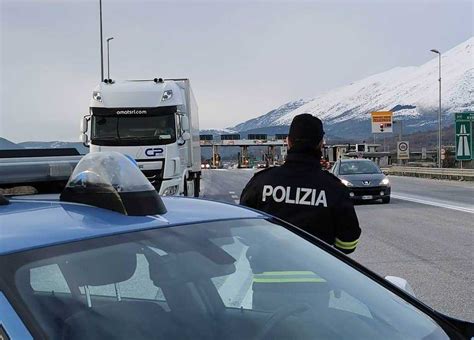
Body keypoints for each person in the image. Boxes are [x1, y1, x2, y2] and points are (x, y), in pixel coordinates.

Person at [240, 113, 361, 254]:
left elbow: (242, 229)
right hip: (318, 273)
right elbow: (348, 245)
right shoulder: (334, 188)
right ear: (321, 144)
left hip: (264, 270)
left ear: (288, 142)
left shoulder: (261, 182)